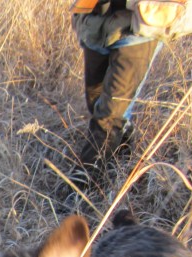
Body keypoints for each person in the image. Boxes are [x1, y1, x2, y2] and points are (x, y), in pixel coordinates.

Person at [70, 0, 161, 186]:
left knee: (109, 116)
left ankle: (82, 188)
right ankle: (123, 156)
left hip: (138, 27)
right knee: (96, 102)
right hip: (95, 23)